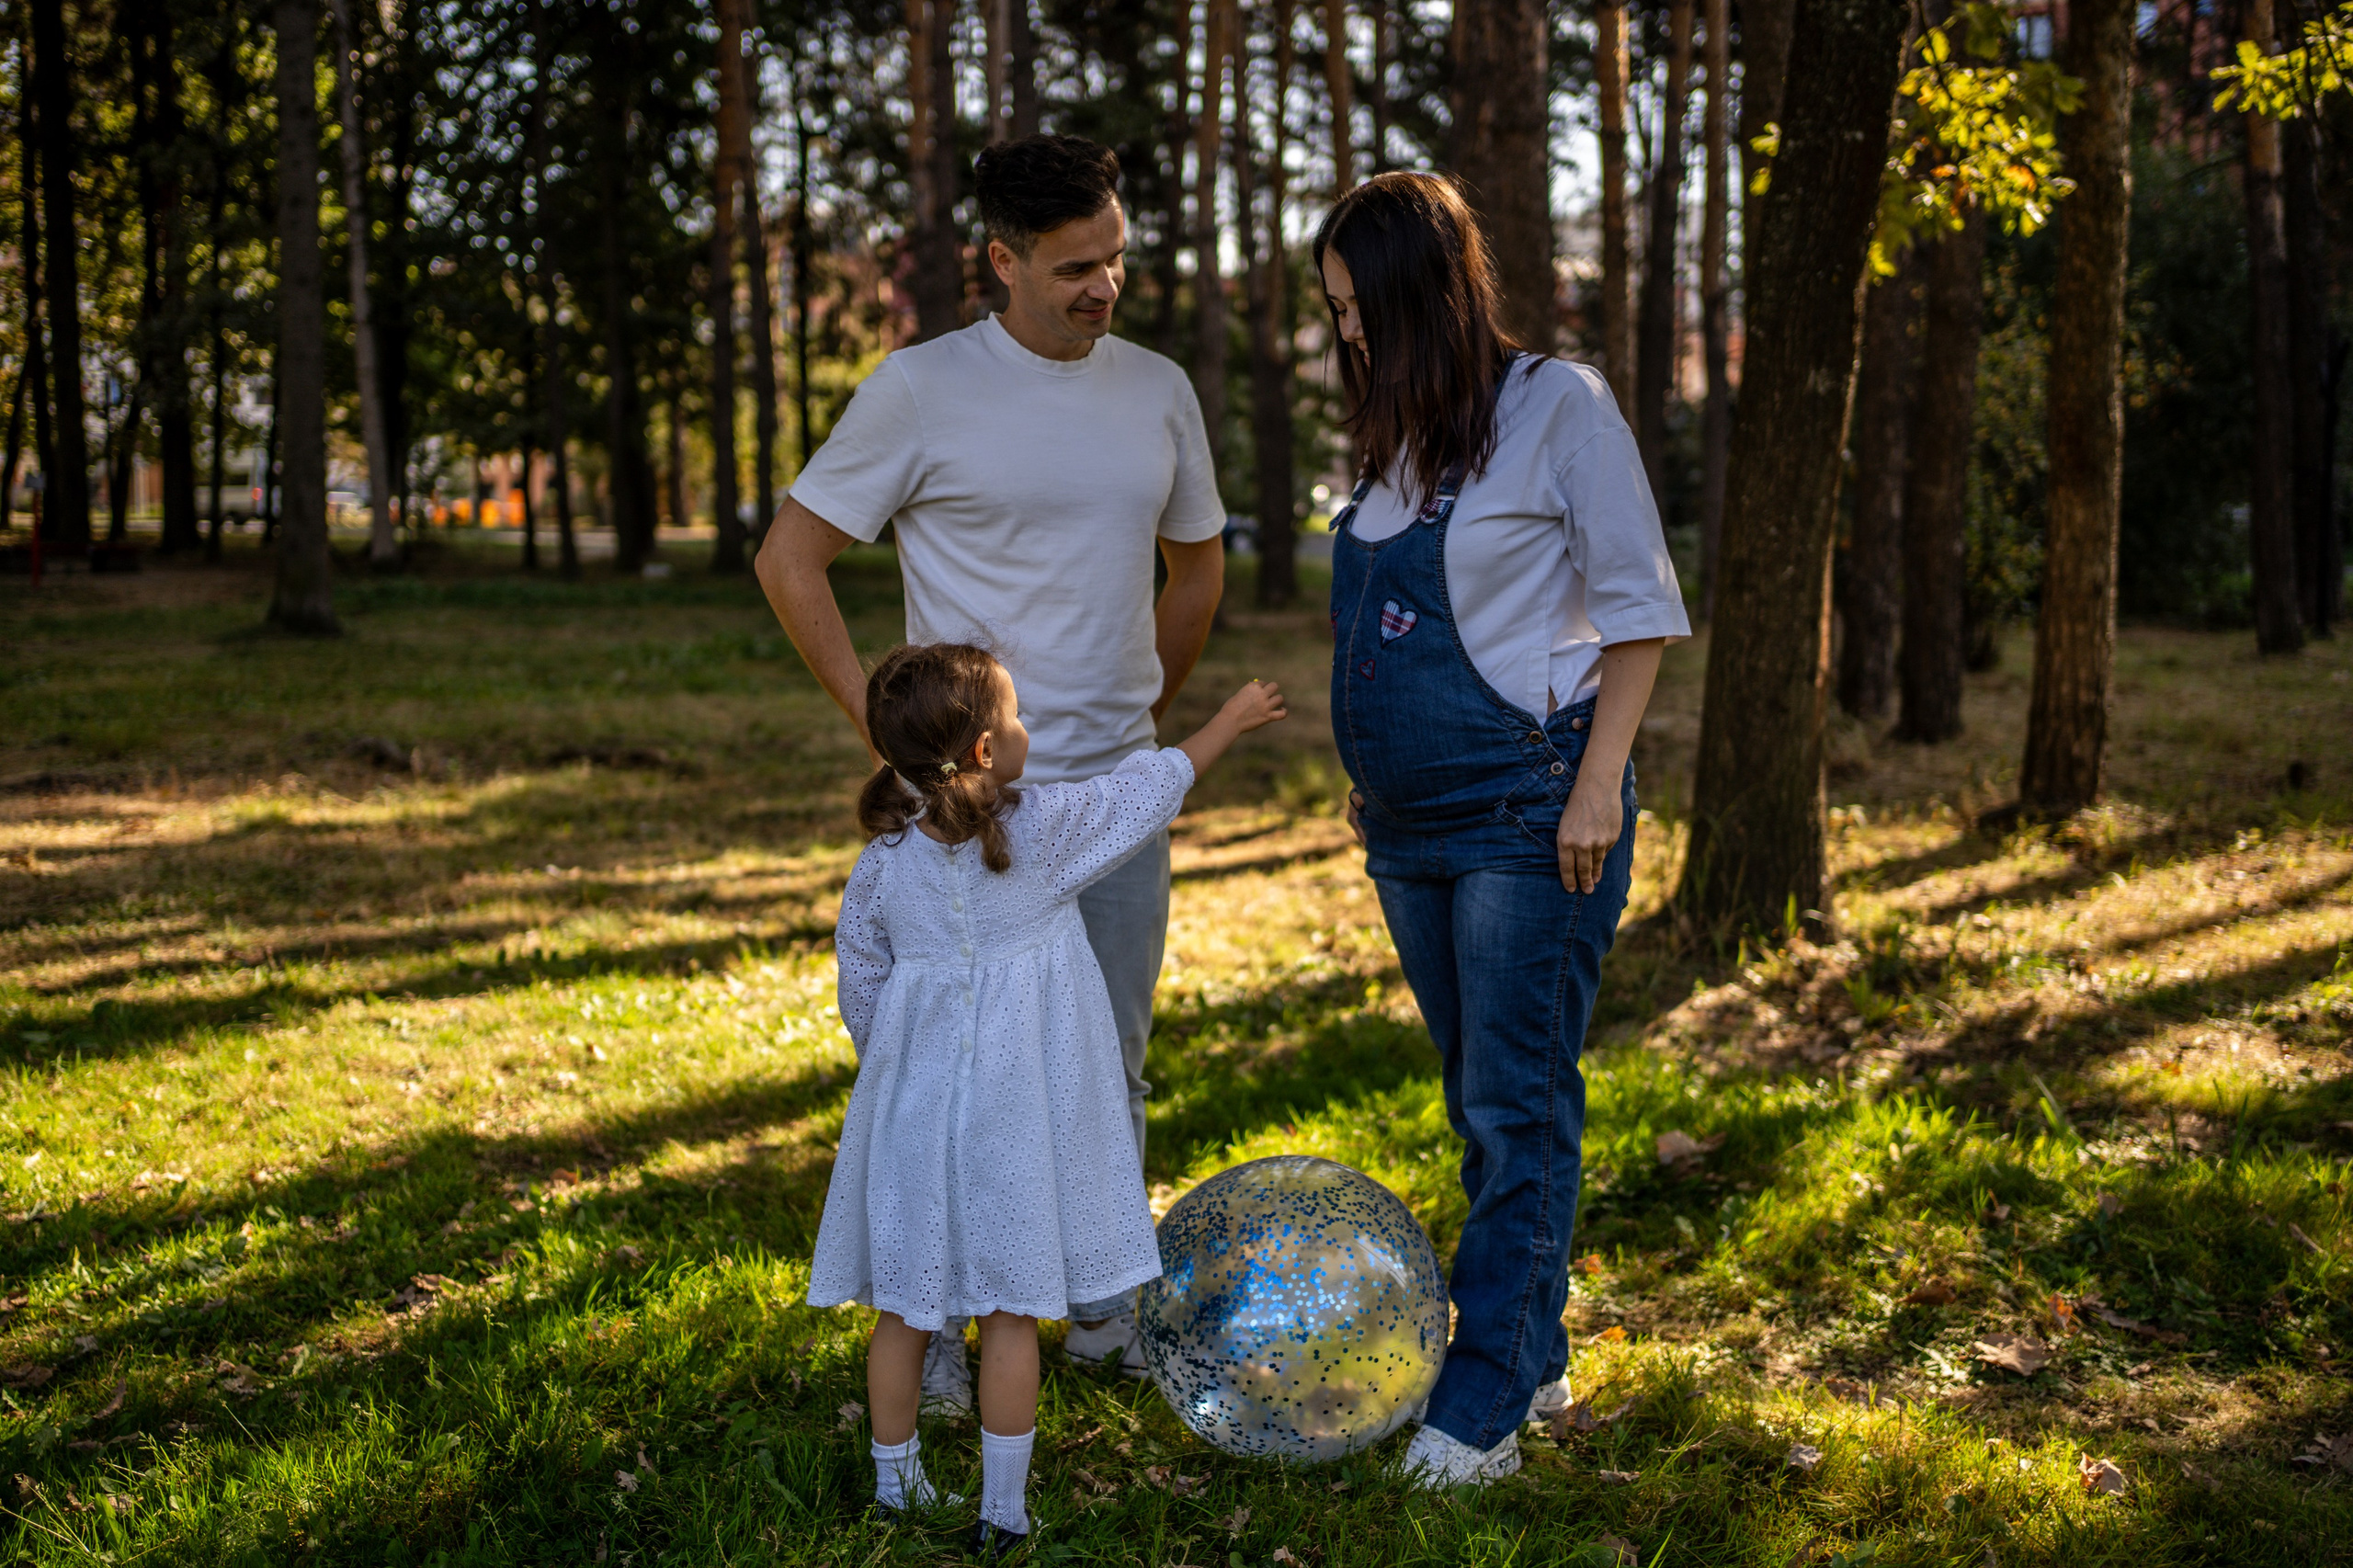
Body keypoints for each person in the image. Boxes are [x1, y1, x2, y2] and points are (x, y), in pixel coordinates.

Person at [756, 133, 1223, 1396]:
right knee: (947, 1072)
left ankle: (1106, 1314)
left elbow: (1198, 566)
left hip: (1108, 801)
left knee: (1104, 1058)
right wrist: (885, 725)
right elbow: (789, 558)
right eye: (1075, 267)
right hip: (957, 813)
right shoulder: (917, 391)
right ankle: (946, 1327)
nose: (1104, 288)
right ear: (1000, 261)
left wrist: (1140, 716)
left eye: (1117, 260)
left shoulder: (1159, 388)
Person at [1313, 173, 1689, 1487]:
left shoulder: (1558, 408)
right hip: (1406, 828)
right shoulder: (1399, 437)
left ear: (1424, 289)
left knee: (1517, 1107)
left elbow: (1638, 610)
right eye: (1336, 314)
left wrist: (1598, 785)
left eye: (1361, 310)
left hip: (1536, 813)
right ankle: (1534, 1343)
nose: (1349, 336)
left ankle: (1484, 1407)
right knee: (1488, 1108)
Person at [809, 644, 1286, 1551]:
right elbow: (1144, 791)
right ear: (987, 748)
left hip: (915, 1121)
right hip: (1015, 1127)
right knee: (1009, 1310)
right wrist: (1226, 721)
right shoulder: (1044, 832)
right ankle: (1002, 1507)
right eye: (1018, 716)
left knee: (904, 1307)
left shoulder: (883, 863)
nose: (1029, 729)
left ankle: (895, 1483)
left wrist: (893, 1062)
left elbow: (859, 973)